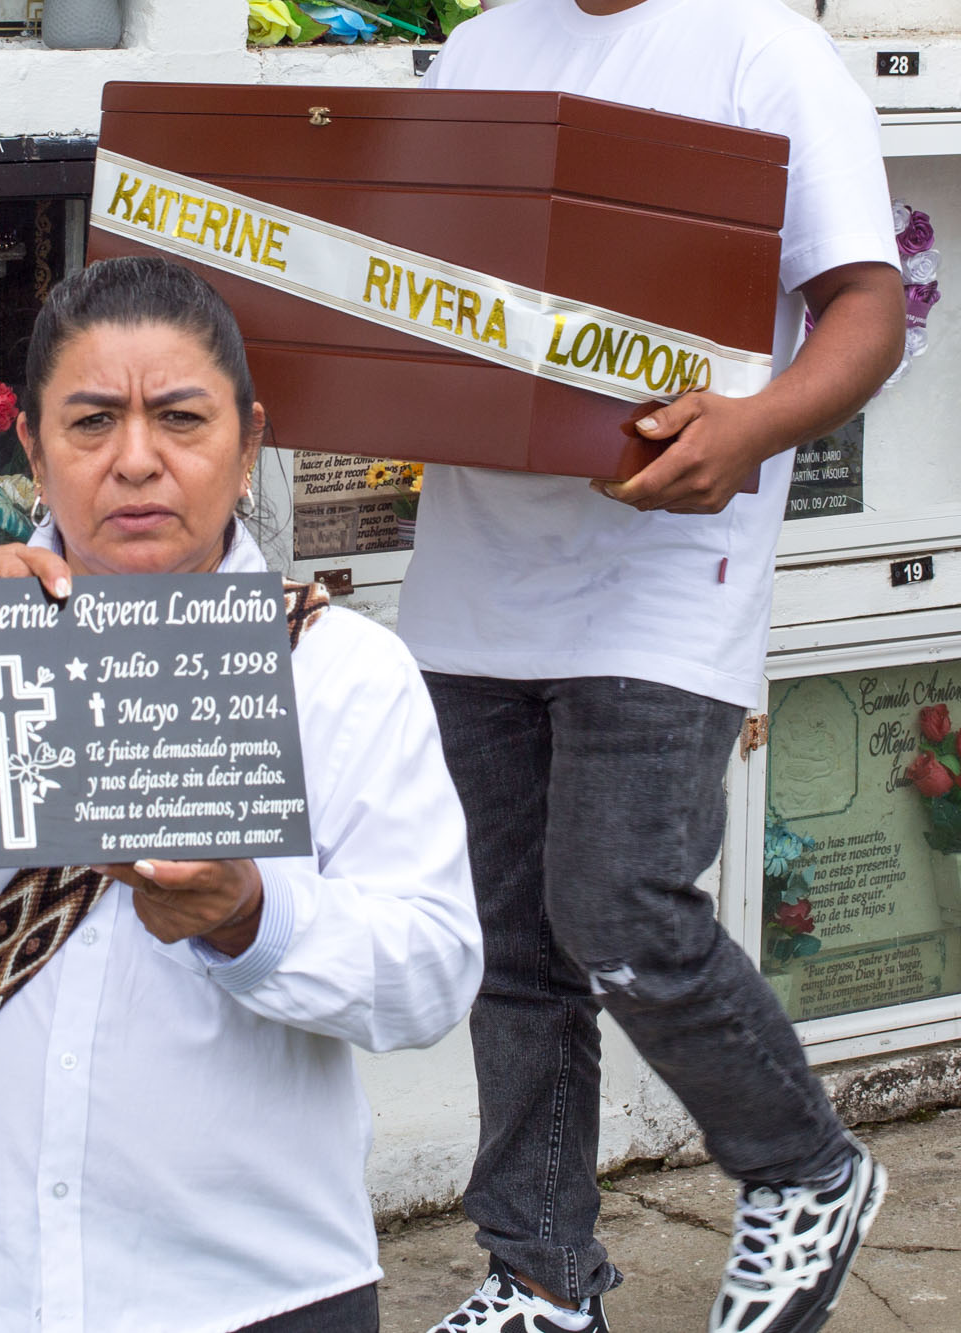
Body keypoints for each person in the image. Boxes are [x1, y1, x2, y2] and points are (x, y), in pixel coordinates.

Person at [0, 256, 483, 1333]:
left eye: (180, 419)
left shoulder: (343, 676)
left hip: (246, 1295)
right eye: (91, 424)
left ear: (248, 443)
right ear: (34, 455)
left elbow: (431, 973)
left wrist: (251, 918)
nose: (136, 460)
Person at [402, 3, 907, 1332]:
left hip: (669, 564)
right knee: (508, 946)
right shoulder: (480, 48)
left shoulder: (764, 52)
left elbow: (866, 309)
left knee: (620, 909)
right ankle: (541, 1273)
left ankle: (806, 1163)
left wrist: (753, 426)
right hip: (477, 565)